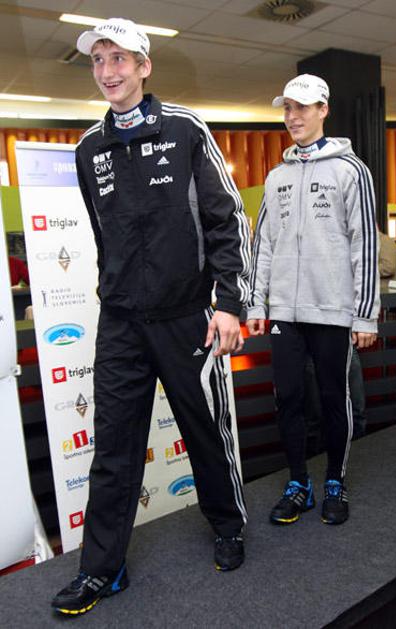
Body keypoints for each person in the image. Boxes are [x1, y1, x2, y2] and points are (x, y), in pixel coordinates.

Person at [52, 18, 251, 616]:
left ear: (144, 66)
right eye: (98, 60)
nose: (107, 71)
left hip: (186, 316)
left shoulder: (186, 129)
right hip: (121, 323)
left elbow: (226, 219)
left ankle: (228, 525)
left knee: (204, 431)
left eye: (119, 58)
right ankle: (101, 570)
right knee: (113, 447)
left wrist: (230, 303)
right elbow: (103, 236)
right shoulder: (89, 148)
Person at [247, 74, 379, 527]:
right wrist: (257, 304)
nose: (292, 116)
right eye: (287, 108)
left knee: (333, 398)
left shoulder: (351, 171)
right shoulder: (276, 176)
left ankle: (335, 481)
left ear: (324, 109)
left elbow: (364, 245)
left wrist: (365, 315)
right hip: (284, 311)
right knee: (288, 399)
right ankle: (298, 483)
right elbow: (263, 244)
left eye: (302, 107)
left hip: (332, 310)